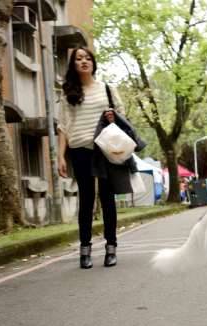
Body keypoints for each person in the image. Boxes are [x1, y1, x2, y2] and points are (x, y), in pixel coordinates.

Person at [57, 47, 125, 269]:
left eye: (87, 58)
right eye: (78, 59)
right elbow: (63, 128)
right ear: (73, 65)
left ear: (93, 63)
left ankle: (111, 248)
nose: (84, 61)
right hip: (80, 150)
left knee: (107, 199)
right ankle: (84, 250)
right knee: (86, 200)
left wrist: (113, 116)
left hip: (104, 147)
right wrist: (60, 156)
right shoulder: (68, 94)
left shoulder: (107, 89)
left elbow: (122, 116)